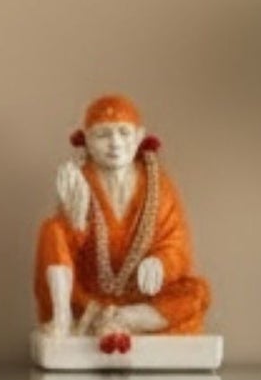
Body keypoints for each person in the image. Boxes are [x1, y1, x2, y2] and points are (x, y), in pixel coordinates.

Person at [33, 93, 211, 337]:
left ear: (139, 137)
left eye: (123, 133)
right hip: (88, 298)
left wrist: (161, 261)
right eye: (103, 135)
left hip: (142, 296)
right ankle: (63, 318)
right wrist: (76, 225)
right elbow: (64, 249)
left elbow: (175, 241)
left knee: (196, 293)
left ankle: (126, 319)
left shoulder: (157, 184)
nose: (115, 143)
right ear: (86, 139)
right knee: (51, 228)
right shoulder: (79, 180)